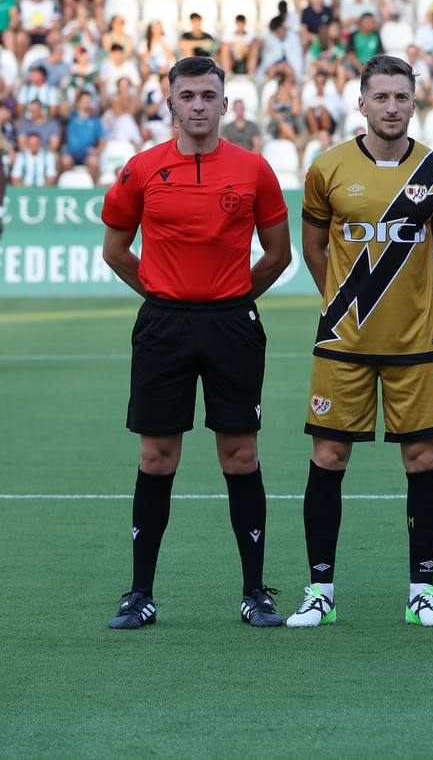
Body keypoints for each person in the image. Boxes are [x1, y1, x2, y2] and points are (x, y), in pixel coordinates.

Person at [99, 56, 293, 630]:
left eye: (209, 96)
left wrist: (232, 297)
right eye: (188, 96)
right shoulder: (141, 170)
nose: (199, 106)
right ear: (171, 104)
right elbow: (115, 250)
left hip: (233, 324)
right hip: (163, 326)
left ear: (225, 104)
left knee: (241, 454)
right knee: (157, 456)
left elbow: (278, 253)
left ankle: (255, 591)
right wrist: (163, 295)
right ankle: (139, 593)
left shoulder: (253, 169)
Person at [286, 55, 433, 629]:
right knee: (328, 458)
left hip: (415, 345)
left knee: (423, 460)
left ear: (415, 103)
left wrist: (414, 300)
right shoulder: (328, 168)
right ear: (360, 103)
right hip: (344, 343)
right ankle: (319, 591)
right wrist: (341, 301)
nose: (392, 107)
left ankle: (423, 590)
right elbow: (314, 249)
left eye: (401, 97)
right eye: (381, 97)